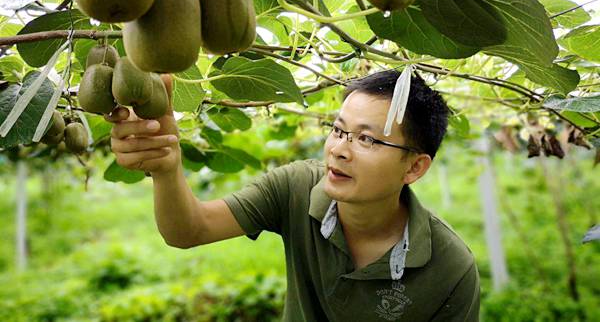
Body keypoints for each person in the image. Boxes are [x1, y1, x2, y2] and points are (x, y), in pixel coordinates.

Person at [106, 69, 480, 321]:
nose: (339, 149)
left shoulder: (450, 268)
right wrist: (166, 167)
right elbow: (189, 230)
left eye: (366, 138)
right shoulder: (298, 187)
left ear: (414, 167)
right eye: (338, 130)